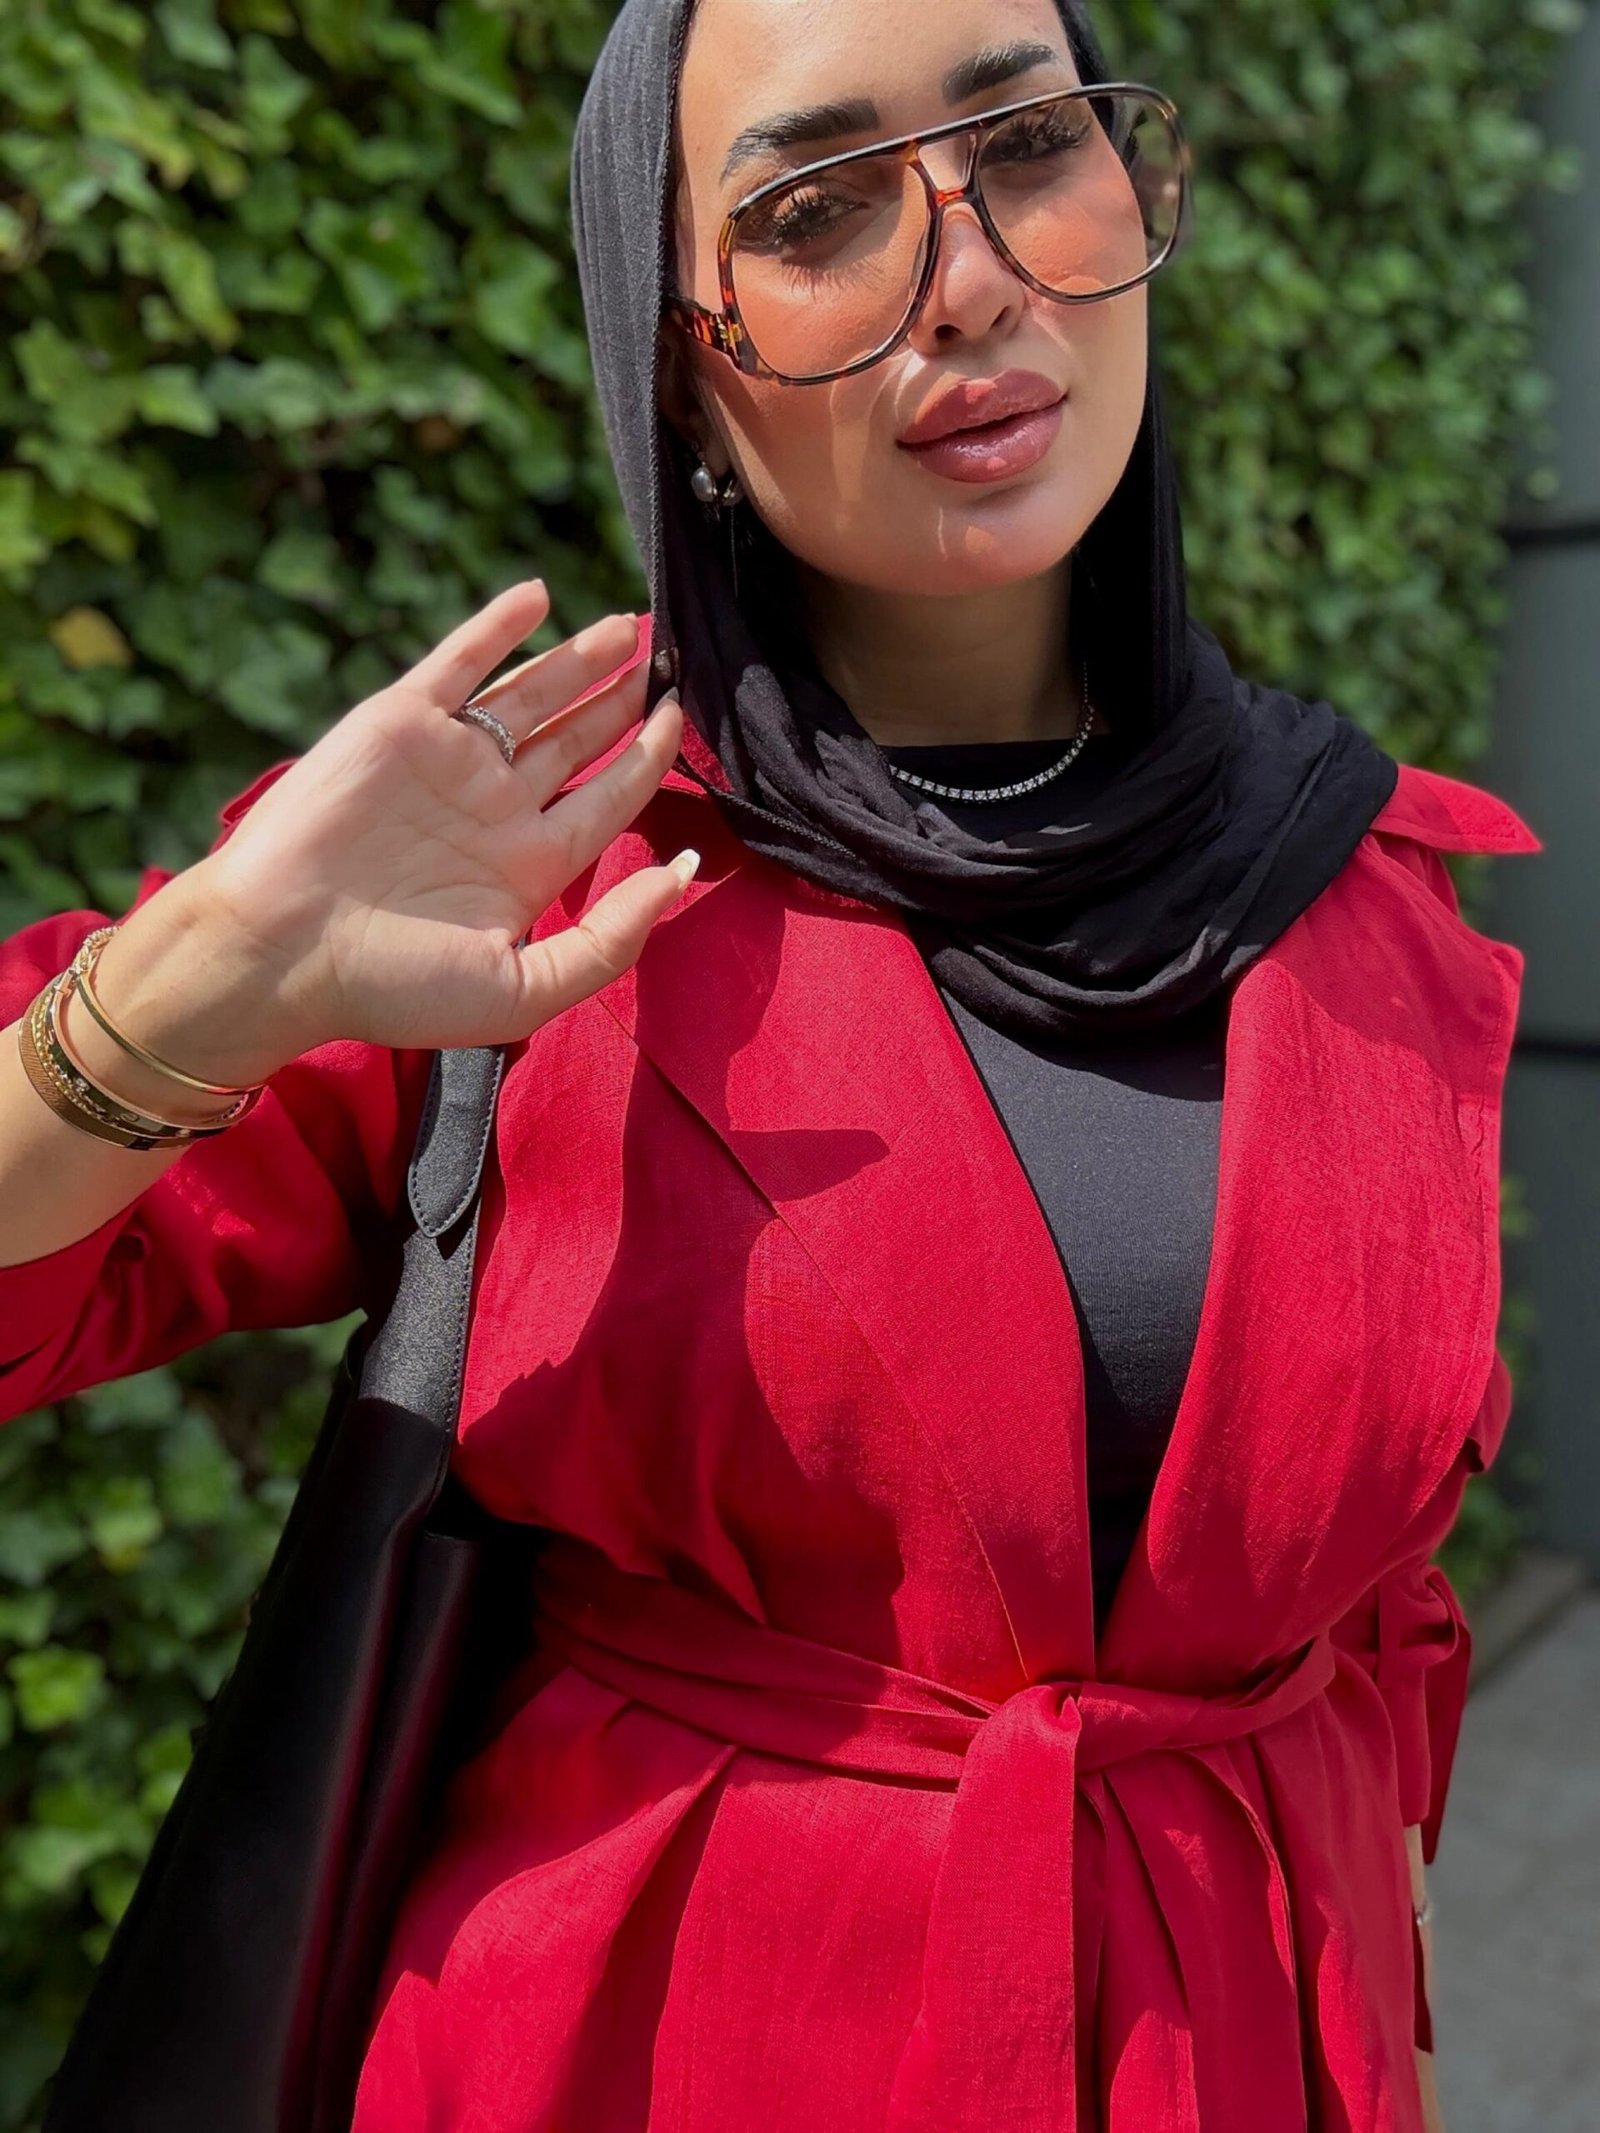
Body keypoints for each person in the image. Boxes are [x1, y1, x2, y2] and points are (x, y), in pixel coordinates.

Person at [0, 0, 1543, 2126]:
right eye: (813, 211)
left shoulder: (1369, 888)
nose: (967, 277)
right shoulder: (534, 867)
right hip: (644, 2050)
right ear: (678, 366)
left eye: (1028, 143)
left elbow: (1371, 1634)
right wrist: (182, 995)